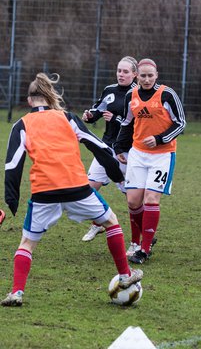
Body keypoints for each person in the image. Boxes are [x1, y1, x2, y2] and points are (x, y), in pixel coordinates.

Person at [1, 72, 143, 307]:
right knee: (110, 222)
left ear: (29, 101)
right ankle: (126, 276)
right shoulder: (67, 117)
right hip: (77, 187)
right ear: (49, 96)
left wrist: (11, 197)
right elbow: (98, 146)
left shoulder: (21, 124)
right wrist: (116, 173)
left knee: (26, 243)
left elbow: (13, 164)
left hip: (43, 191)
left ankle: (16, 292)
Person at [114, 58, 186, 264]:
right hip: (138, 153)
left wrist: (159, 139)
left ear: (156, 75)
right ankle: (147, 237)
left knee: (151, 199)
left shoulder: (166, 94)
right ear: (137, 76)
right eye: (143, 76)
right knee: (132, 201)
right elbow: (127, 122)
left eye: (150, 76)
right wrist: (120, 146)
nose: (146, 80)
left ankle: (144, 250)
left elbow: (181, 123)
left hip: (162, 155)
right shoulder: (131, 94)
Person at [81, 56, 138, 242]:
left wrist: (115, 119)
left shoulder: (138, 94)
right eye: (119, 71)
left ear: (135, 74)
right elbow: (99, 109)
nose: (121, 74)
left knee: (133, 199)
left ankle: (143, 236)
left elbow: (138, 123)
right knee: (89, 190)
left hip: (126, 151)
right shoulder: (110, 90)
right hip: (105, 147)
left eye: (126, 72)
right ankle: (99, 223)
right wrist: (89, 115)